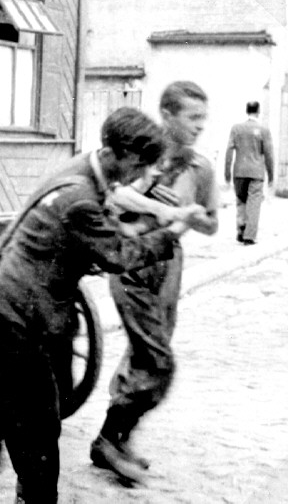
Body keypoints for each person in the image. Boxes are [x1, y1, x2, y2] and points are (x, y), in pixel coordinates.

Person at [0, 107, 205, 504]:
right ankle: (33, 494)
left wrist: (156, 218)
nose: (146, 177)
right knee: (41, 430)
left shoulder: (89, 164)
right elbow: (117, 255)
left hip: (52, 306)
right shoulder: (80, 199)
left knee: (62, 396)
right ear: (123, 156)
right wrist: (174, 231)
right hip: (20, 312)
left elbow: (111, 220)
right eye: (144, 167)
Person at [90, 81, 220, 484]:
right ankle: (109, 439)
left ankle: (116, 439)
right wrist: (155, 207)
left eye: (204, 118)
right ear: (167, 116)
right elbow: (115, 198)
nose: (200, 126)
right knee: (156, 356)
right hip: (132, 262)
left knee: (147, 349)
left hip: (169, 262)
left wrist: (196, 219)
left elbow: (213, 224)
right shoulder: (144, 155)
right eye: (192, 117)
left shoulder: (201, 167)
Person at [224, 100, 274, 245]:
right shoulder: (264, 130)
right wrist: (271, 175)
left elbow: (228, 151)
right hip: (256, 173)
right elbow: (269, 155)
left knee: (241, 202)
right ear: (258, 111)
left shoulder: (236, 128)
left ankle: (241, 230)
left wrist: (227, 174)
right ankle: (249, 236)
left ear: (247, 111)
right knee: (254, 203)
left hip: (238, 172)